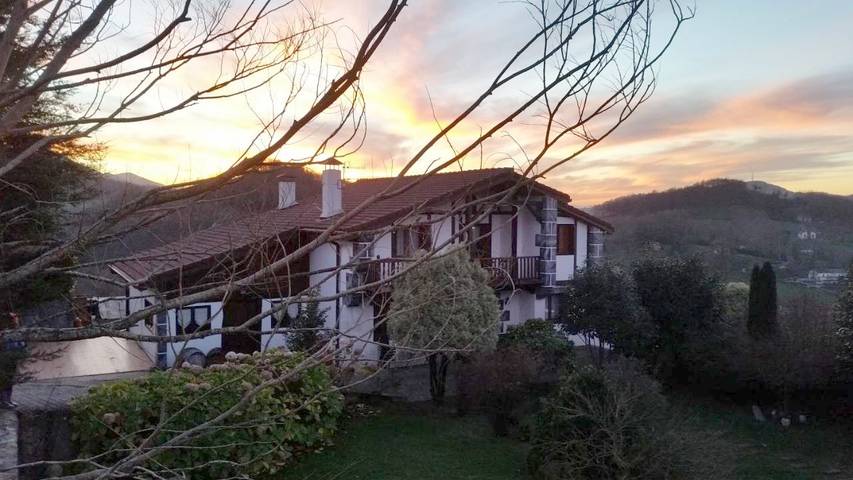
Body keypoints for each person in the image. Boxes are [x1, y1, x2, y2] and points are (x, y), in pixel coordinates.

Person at [0, 313, 26, 409]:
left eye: (16, 318)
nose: (16, 320)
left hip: (13, 358)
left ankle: (8, 399)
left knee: (10, 380)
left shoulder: (18, 331)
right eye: (14, 319)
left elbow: (22, 343)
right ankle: (4, 401)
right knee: (4, 380)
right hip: (5, 358)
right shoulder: (5, 332)